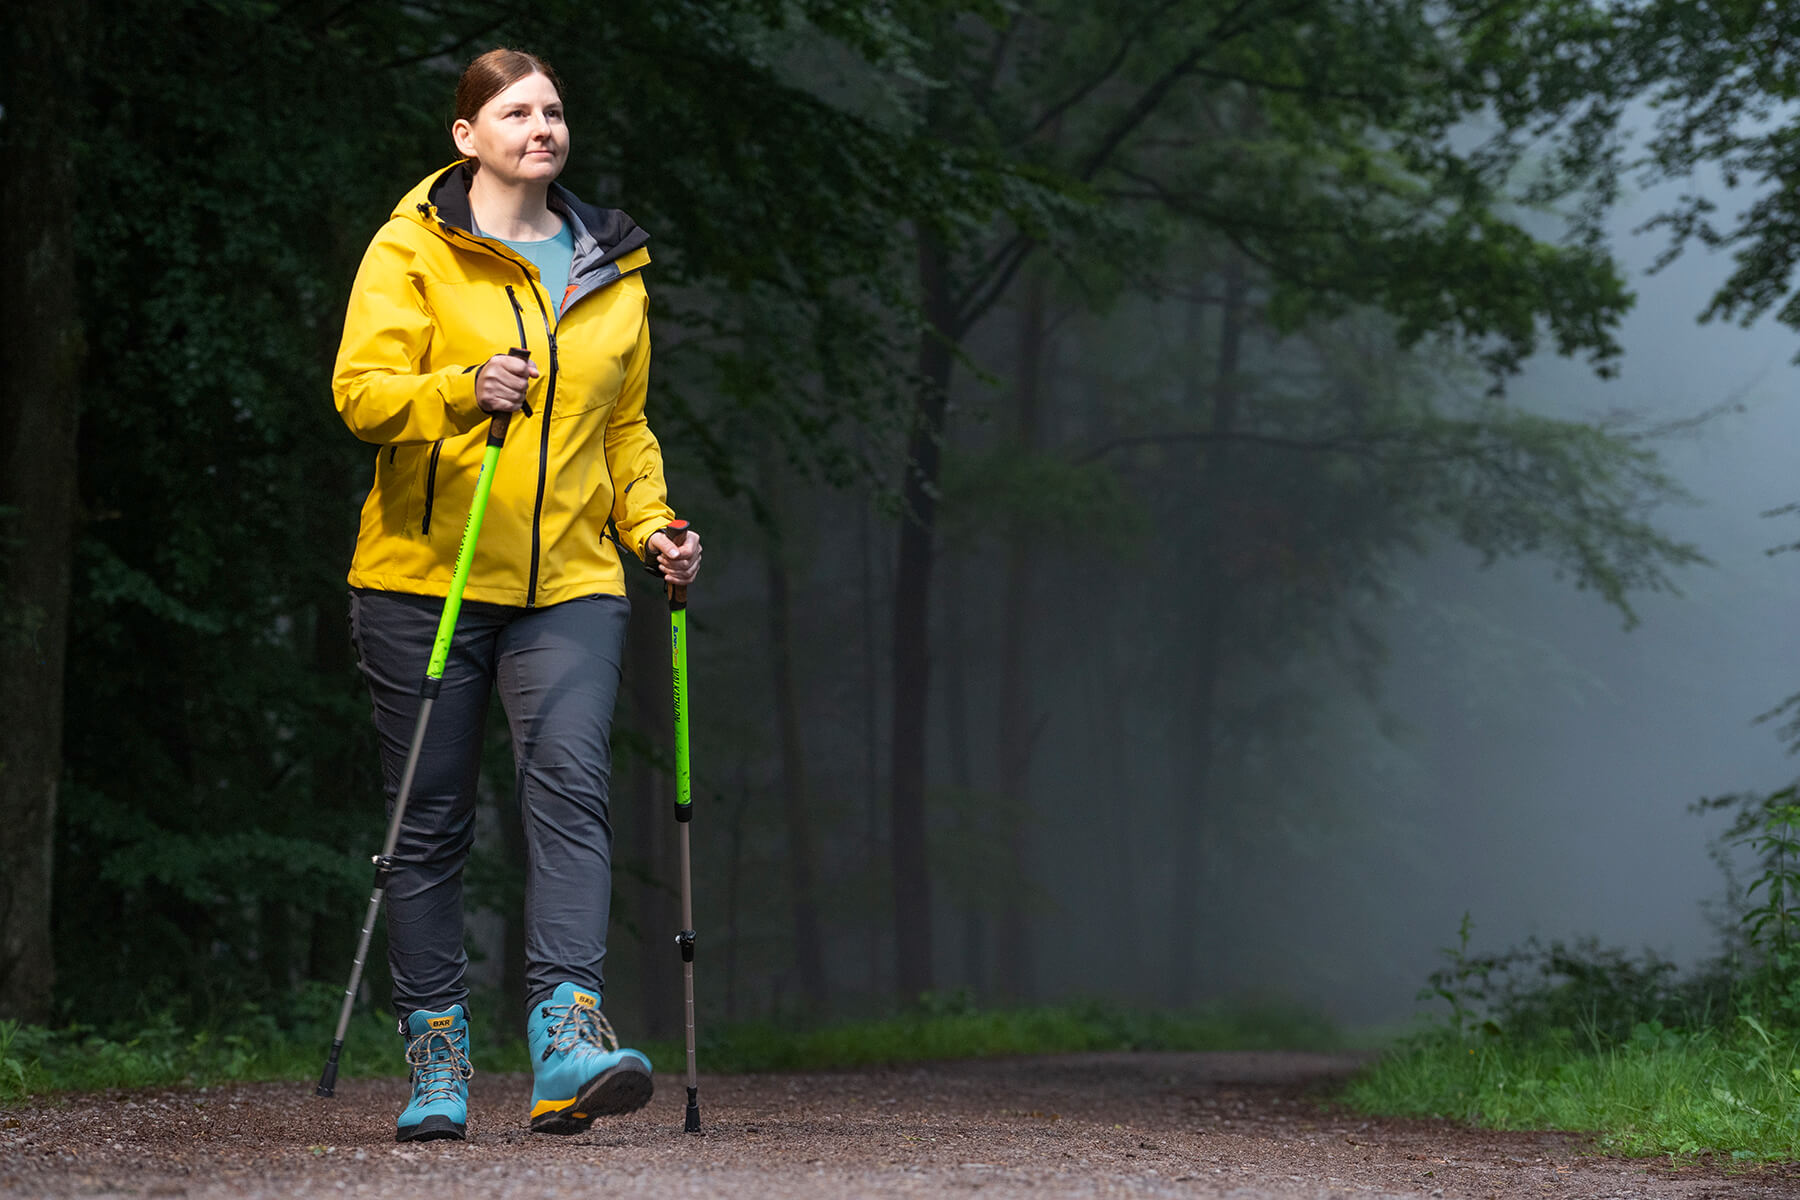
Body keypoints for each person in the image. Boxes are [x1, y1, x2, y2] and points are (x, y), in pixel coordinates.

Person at [332, 47, 701, 1143]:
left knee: (570, 791)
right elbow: (361, 393)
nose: (542, 125)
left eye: (553, 109)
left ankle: (566, 1036)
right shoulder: (412, 249)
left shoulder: (611, 265)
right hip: (423, 578)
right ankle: (437, 1049)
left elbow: (622, 430)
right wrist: (464, 388)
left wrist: (654, 529)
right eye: (516, 111)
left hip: (572, 586)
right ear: (467, 136)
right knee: (430, 819)